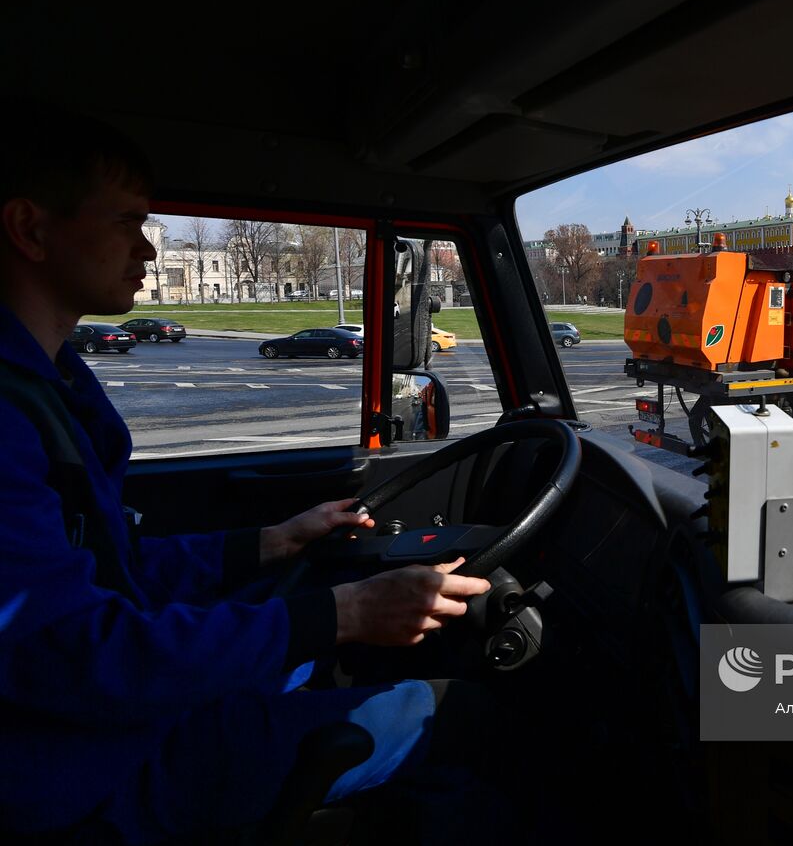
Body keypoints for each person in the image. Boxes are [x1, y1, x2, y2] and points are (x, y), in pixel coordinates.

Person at [0, 102, 493, 841]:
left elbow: (112, 571)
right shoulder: (12, 413)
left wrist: (270, 541)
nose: (147, 249)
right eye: (127, 221)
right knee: (470, 718)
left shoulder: (49, 387)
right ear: (32, 229)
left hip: (108, 730)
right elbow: (74, 653)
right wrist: (349, 613)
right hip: (84, 778)